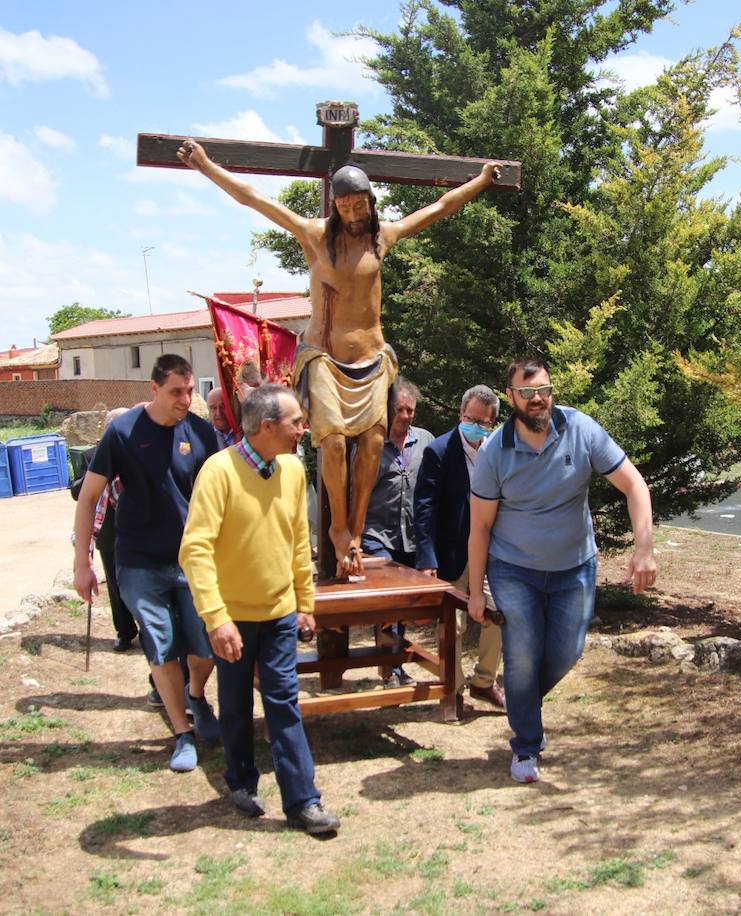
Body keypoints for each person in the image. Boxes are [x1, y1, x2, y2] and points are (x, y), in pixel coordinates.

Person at [178, 138, 502, 578]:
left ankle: (356, 523)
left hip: (371, 359)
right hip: (325, 357)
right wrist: (206, 166)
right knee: (331, 441)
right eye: (345, 205)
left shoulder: (382, 238)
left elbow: (439, 207)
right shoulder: (314, 236)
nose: (352, 212)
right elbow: (254, 199)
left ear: (370, 202)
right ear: (336, 206)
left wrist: (481, 180)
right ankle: (337, 529)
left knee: (371, 443)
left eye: (359, 204)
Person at [467, 357, 657, 784]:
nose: (537, 400)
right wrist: (477, 591)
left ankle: (523, 705)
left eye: (544, 392)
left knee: (568, 651)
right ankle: (526, 746)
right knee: (523, 654)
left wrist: (643, 549)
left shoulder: (581, 430)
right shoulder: (495, 452)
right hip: (513, 568)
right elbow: (479, 527)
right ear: (511, 397)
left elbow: (634, 484)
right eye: (527, 393)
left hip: (575, 566)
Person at [180, 384, 341, 834]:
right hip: (232, 618)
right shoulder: (219, 472)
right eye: (295, 422)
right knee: (234, 703)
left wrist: (304, 603)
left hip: (279, 614)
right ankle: (241, 780)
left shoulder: (291, 468)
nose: (302, 430)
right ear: (267, 427)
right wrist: (216, 618)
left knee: (284, 703)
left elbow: (296, 541)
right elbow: (194, 550)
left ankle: (303, 802)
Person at [73, 354, 221, 772]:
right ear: (153, 390)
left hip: (193, 561)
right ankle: (182, 733)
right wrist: (81, 562)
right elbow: (88, 498)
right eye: (176, 391)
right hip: (138, 561)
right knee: (161, 644)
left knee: (205, 645)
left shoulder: (201, 433)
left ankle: (196, 695)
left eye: (190, 391)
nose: (185, 399)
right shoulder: (122, 433)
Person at [414, 384, 506, 710]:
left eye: (483, 422)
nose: (476, 426)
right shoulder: (438, 451)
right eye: (471, 418)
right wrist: (427, 558)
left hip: (490, 553)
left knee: (497, 614)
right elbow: (424, 509)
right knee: (452, 626)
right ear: (460, 414)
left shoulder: (498, 452)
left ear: (492, 423)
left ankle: (484, 681)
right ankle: (452, 687)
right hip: (450, 554)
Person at [361, 377, 432, 687]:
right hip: (378, 535)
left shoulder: (426, 440)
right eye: (400, 410)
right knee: (390, 601)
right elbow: (356, 492)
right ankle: (391, 668)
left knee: (404, 604)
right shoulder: (371, 444)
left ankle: (393, 662)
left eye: (410, 411)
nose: (405, 416)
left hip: (413, 537)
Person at [90, 408, 139, 653]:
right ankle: (124, 631)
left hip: (135, 532)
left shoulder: (138, 454)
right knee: (115, 585)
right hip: (108, 533)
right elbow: (78, 491)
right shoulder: (93, 455)